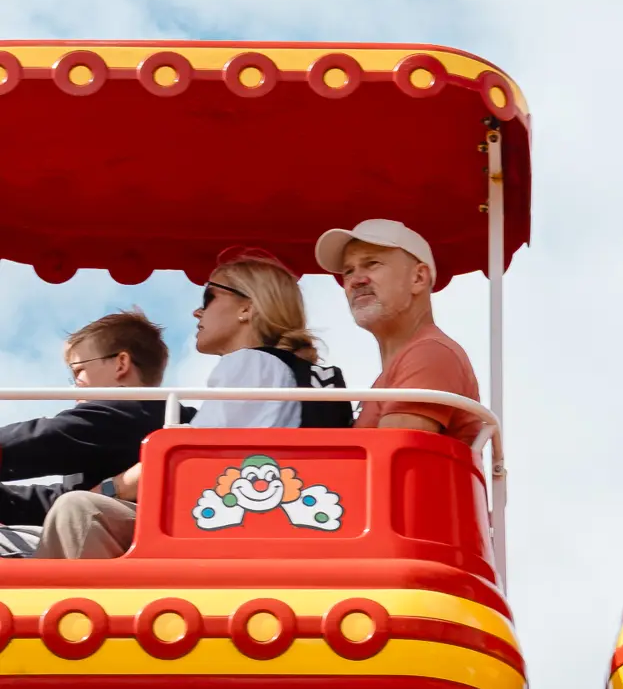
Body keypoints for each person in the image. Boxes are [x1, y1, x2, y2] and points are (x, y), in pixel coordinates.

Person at [38, 251, 340, 560]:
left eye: (209, 297)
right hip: (284, 521)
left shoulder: (250, 363)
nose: (197, 312)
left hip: (232, 528)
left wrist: (110, 489)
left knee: (77, 511)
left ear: (246, 308)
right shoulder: (302, 374)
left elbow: (189, 461)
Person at [0, 310, 171, 557]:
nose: (74, 386)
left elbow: (44, 439)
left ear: (121, 364)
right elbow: (57, 499)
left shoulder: (136, 411)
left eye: (79, 371)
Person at [314, 218, 480, 438]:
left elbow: (393, 464)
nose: (356, 280)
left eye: (372, 263)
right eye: (348, 271)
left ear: (418, 278)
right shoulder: (404, 365)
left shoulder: (429, 354)